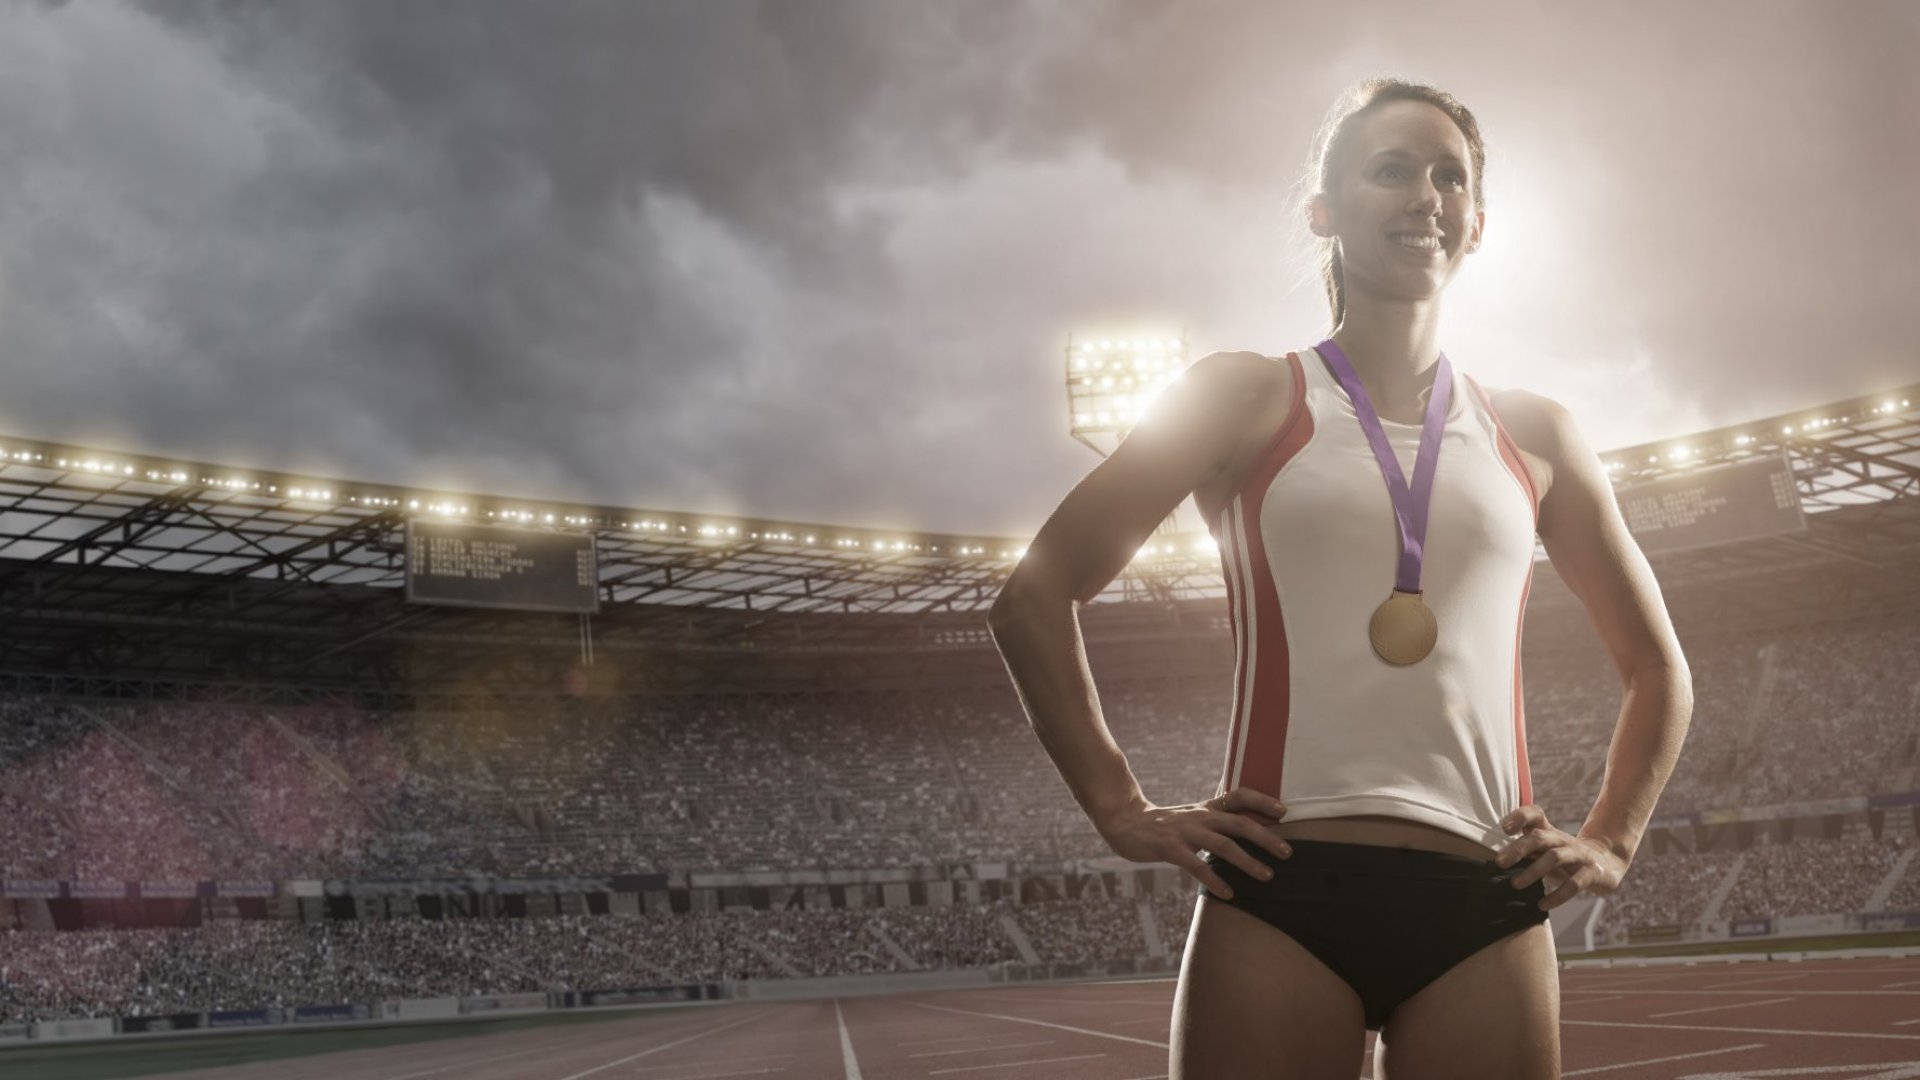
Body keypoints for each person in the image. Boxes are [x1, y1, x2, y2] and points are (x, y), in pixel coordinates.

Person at [986, 77, 1693, 1079]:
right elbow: (1034, 595)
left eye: (1451, 176)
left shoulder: (1536, 437)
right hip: (1281, 891)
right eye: (1392, 169)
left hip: (1485, 901)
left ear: (1479, 224)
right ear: (1322, 211)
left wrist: (1613, 839)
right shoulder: (1242, 397)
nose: (1426, 195)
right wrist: (1121, 807)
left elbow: (1658, 670)